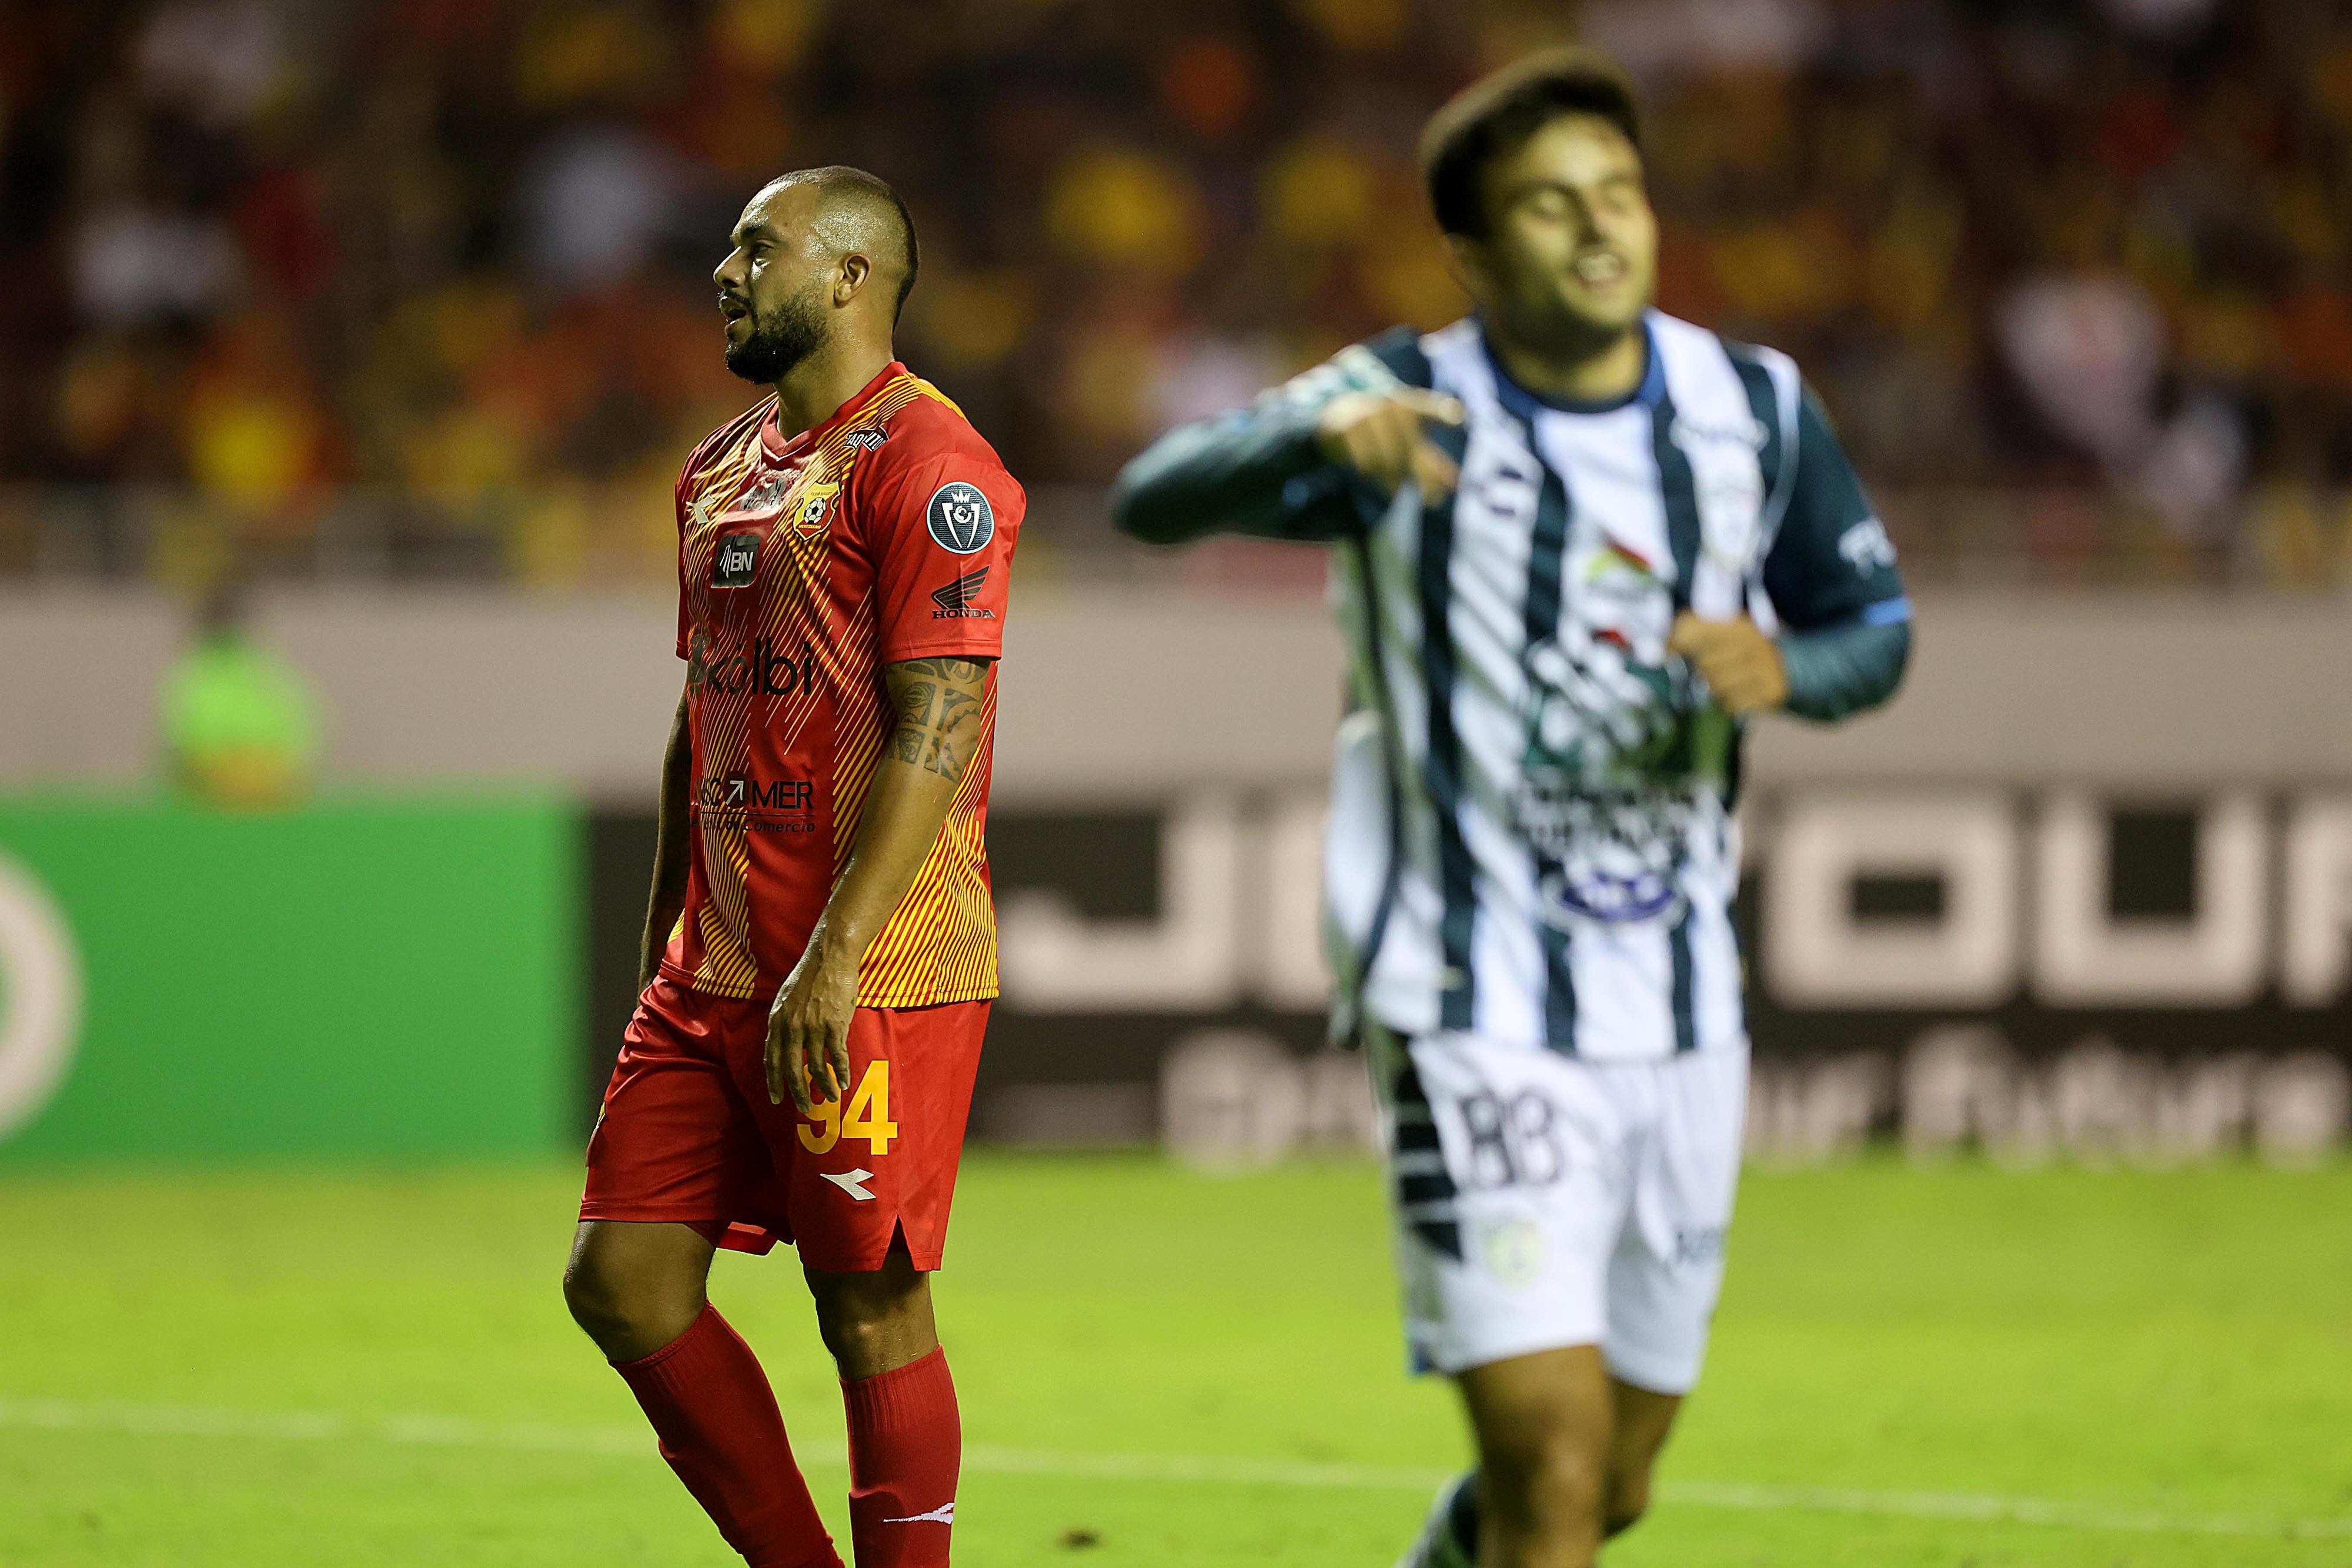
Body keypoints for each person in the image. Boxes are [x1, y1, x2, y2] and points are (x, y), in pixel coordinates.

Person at [1112, 51, 1910, 1568]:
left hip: (1683, 1012)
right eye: (1552, 207)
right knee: (1547, 1468)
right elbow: (1154, 495)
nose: (1602, 230)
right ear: (1477, 256)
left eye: (1619, 195)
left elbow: (1878, 631)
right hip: (1473, 1000)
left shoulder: (1752, 409)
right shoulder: (1402, 399)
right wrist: (1300, 437)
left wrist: (1789, 667)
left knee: (1610, 1480)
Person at [563, 166, 1023, 1568]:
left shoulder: (934, 468)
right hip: (715, 969)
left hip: (873, 962)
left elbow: (937, 728)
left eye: (752, 247)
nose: (721, 269)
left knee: (868, 1306)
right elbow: (696, 721)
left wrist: (831, 957)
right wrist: (663, 946)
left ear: (847, 275)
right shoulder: (717, 469)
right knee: (623, 1284)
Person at [161, 574, 318, 811]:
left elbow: (300, 742)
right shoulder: (191, 679)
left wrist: (263, 776)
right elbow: (182, 755)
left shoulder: (266, 673)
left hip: (269, 805)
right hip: (208, 810)